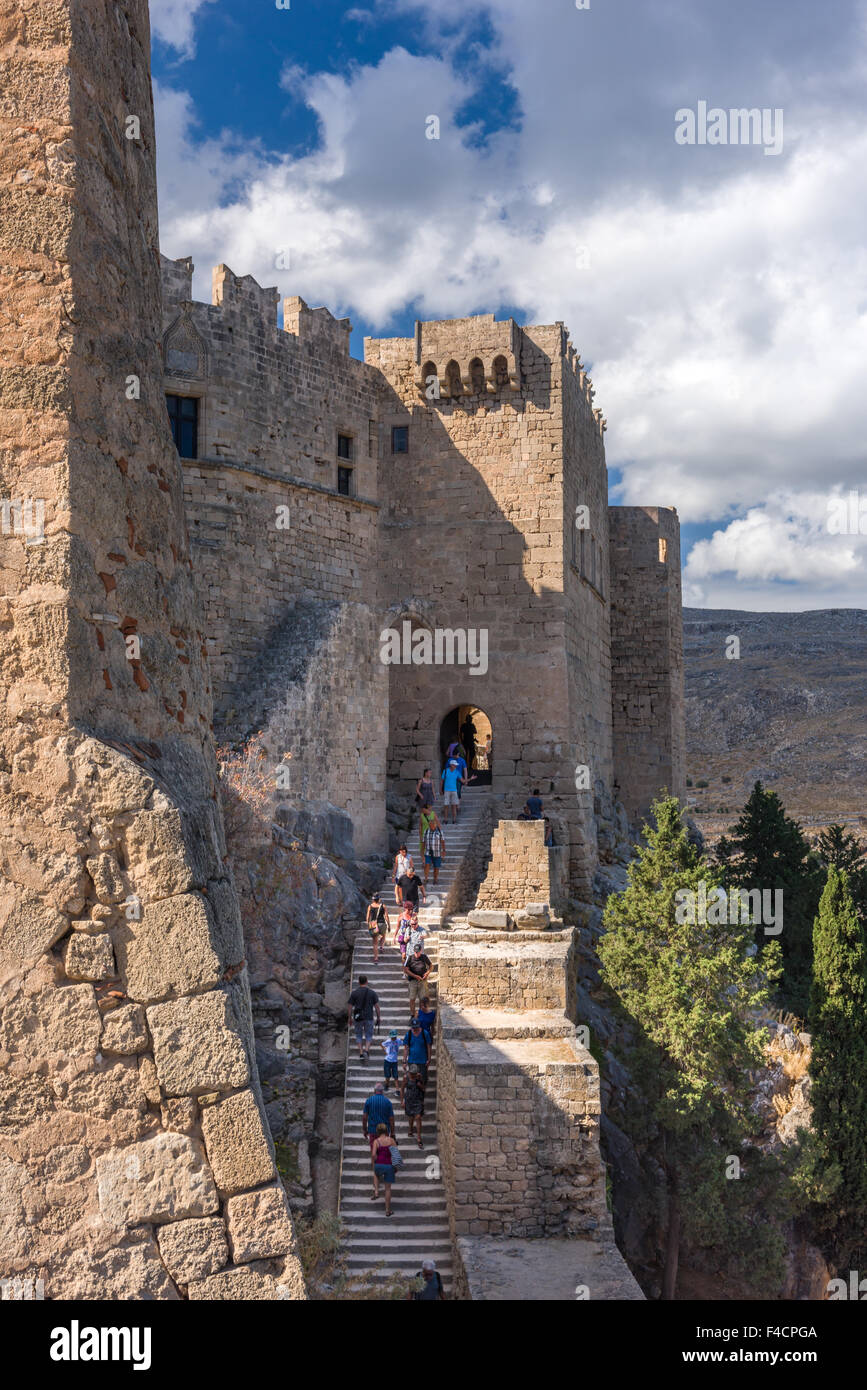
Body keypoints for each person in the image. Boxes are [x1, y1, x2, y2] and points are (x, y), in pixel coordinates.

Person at [347, 974, 380, 1062]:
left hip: (358, 1018)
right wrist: (378, 1017)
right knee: (369, 1034)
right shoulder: (372, 993)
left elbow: (350, 1007)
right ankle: (366, 1050)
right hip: (369, 1017)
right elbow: (377, 1007)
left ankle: (361, 1053)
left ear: (358, 982)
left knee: (358, 1035)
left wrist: (349, 1018)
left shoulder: (354, 993)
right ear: (367, 982)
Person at [362, 1081, 395, 1156]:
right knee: (384, 1152)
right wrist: (392, 1132)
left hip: (373, 1130)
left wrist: (364, 1129)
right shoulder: (388, 1102)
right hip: (385, 1132)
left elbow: (364, 1117)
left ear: (374, 1091)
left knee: (374, 1152)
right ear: (382, 1091)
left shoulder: (369, 1101)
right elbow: (391, 1119)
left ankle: (374, 1166)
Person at [371, 1123, 396, 1214]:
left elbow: (373, 1155)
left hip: (379, 1165)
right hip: (389, 1166)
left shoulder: (376, 1141)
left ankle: (376, 1191)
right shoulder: (391, 1140)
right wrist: (395, 1166)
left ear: (377, 1131)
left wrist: (376, 1162)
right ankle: (387, 1210)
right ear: (386, 1131)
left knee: (375, 1173)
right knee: (388, 1189)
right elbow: (395, 1155)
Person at [404, 944, 432, 1018]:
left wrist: (427, 973)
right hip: (413, 981)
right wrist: (415, 976)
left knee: (422, 999)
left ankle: (420, 1014)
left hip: (422, 981)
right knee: (412, 998)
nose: (417, 953)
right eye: (415, 952)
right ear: (414, 951)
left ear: (421, 951)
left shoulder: (424, 957)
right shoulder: (410, 958)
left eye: (418, 952)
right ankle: (412, 1015)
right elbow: (406, 969)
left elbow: (431, 965)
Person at [402, 1018, 431, 1088]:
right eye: (413, 1027)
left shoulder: (425, 1033)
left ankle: (421, 1096)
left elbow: (428, 1047)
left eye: (416, 1027)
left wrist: (429, 1059)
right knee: (412, 1081)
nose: (414, 1029)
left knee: (422, 1080)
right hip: (412, 1061)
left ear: (419, 1026)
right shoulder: (408, 1034)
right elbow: (406, 1048)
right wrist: (404, 1061)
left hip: (422, 1061)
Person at [403, 1063, 425, 1147]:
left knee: (418, 1117)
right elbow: (402, 1089)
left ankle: (419, 1137)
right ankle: (410, 1129)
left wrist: (420, 1085)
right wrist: (402, 1101)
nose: (413, 1075)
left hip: (418, 1099)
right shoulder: (406, 1077)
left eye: (414, 1073)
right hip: (409, 1099)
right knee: (411, 1116)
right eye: (412, 1073)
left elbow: (423, 1089)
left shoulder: (419, 1077)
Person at [365, 893, 390, 963]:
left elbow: (367, 918)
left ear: (373, 899)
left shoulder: (370, 906)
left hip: (374, 925)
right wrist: (389, 925)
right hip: (382, 924)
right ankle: (381, 946)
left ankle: (376, 958)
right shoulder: (383, 906)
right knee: (383, 935)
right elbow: (386, 917)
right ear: (379, 899)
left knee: (375, 942)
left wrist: (369, 925)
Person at [422, 813, 445, 885]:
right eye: (430, 825)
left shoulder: (440, 832)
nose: (430, 826)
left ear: (435, 825)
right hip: (428, 851)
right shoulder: (426, 831)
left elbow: (443, 841)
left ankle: (435, 879)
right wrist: (422, 852)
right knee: (427, 864)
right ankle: (426, 879)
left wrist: (444, 850)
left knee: (436, 867)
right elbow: (423, 842)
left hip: (437, 852)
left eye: (432, 825)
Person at [441, 758, 461, 822]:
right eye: (455, 765)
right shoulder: (445, 771)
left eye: (456, 765)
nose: (456, 766)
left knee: (454, 805)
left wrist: (470, 779)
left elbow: (462, 780)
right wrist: (441, 789)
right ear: (451, 765)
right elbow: (442, 781)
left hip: (454, 790)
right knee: (446, 805)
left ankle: (454, 819)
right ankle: (445, 819)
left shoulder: (457, 772)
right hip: (446, 790)